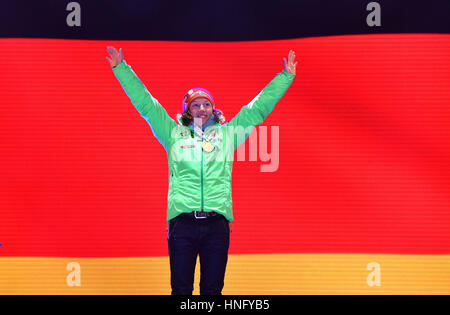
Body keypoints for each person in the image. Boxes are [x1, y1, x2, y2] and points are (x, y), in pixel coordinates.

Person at [106, 46, 297, 295]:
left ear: (213, 109)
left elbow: (256, 109)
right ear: (187, 110)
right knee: (181, 290)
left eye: (207, 103)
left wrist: (285, 77)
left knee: (212, 290)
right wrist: (122, 69)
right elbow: (147, 105)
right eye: (196, 104)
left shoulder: (228, 135)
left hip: (217, 225)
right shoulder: (173, 134)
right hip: (182, 223)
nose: (202, 108)